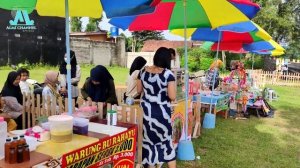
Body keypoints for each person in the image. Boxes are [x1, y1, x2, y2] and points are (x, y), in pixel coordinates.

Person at [137, 47, 176, 168]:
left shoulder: (143, 71)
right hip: (161, 114)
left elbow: (139, 91)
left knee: (147, 144)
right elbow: (172, 96)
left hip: (146, 114)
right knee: (166, 145)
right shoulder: (168, 74)